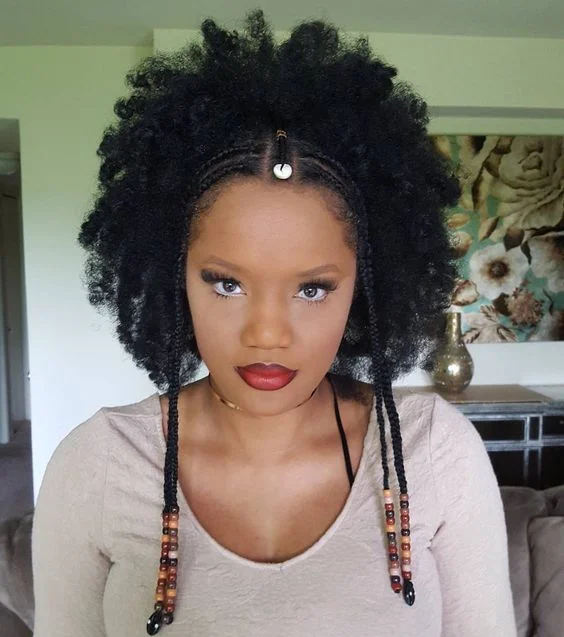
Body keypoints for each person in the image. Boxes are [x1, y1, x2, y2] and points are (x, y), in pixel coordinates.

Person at [31, 10, 517, 637]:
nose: (267, 334)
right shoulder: (96, 465)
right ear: (173, 275)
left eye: (313, 289)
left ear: (366, 289)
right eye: (226, 283)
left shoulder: (436, 454)